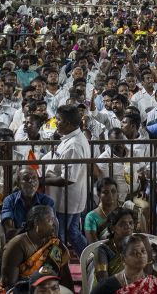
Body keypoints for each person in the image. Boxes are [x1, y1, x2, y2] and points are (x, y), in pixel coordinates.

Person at [45, 104, 91, 253]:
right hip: (68, 198)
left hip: (67, 199)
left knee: (62, 236)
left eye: (59, 120)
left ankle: (63, 268)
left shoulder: (74, 145)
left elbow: (68, 179)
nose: (55, 122)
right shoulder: (71, 138)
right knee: (72, 233)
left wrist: (42, 180)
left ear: (69, 124)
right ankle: (90, 261)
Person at [0, 204, 69, 292]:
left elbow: (66, 278)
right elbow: (11, 285)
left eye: (54, 219)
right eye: (50, 220)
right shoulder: (16, 245)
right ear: (37, 223)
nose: (54, 224)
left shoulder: (55, 244)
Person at [91, 233, 157, 294]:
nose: (140, 255)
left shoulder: (154, 284)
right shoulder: (107, 287)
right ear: (123, 258)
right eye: (134, 253)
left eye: (143, 251)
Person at [3, 167, 58, 241]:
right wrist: (34, 231)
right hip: (18, 243)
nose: (31, 181)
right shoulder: (9, 201)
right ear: (18, 183)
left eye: (34, 178)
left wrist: (22, 231)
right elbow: (9, 232)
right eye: (26, 178)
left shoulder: (47, 202)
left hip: (41, 245)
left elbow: (50, 232)